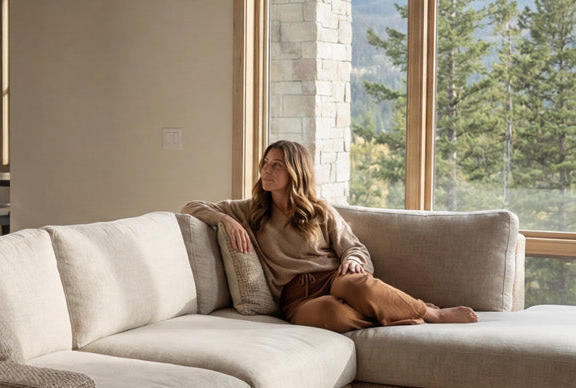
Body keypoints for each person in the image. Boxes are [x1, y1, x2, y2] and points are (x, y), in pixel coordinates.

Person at [183, 140, 477, 333]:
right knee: (332, 315)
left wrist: (351, 260)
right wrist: (225, 220)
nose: (266, 170)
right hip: (296, 298)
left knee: (357, 284)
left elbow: (355, 247)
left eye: (276, 165)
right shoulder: (250, 211)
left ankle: (430, 313)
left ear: (295, 171)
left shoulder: (319, 211)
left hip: (335, 279)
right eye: (265, 163)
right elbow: (191, 207)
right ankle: (401, 310)